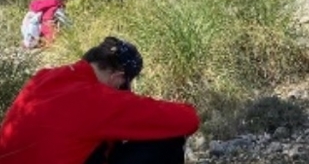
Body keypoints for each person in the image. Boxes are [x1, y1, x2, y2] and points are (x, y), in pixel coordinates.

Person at [0, 36, 200, 164]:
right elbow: (188, 120)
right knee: (169, 139)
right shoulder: (97, 98)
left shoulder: (43, 77)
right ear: (118, 77)